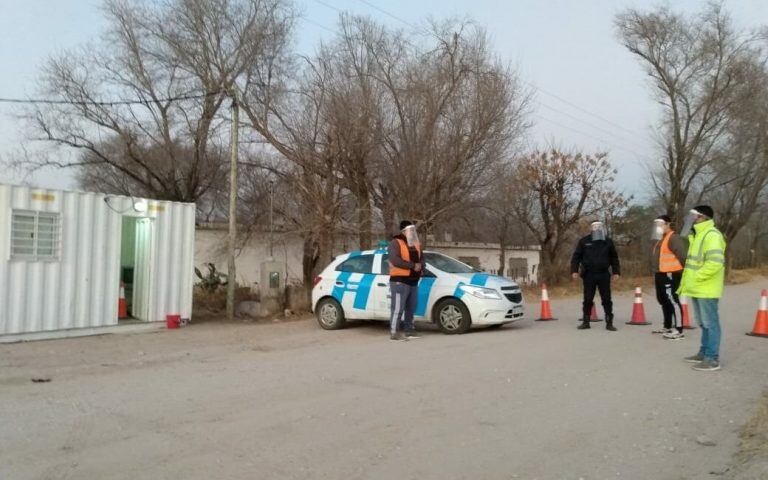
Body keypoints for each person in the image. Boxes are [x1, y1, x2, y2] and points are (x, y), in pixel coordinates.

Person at [678, 205, 726, 371]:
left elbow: (715, 263)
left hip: (706, 288)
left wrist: (697, 278)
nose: (690, 220)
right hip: (698, 288)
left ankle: (712, 358)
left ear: (703, 217)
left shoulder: (712, 235)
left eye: (694, 216)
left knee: (710, 323)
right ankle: (703, 352)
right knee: (703, 322)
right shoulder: (697, 235)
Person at [571, 220, 621, 331]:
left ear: (602, 228)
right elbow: (576, 257)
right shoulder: (584, 241)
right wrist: (574, 271)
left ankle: (609, 322)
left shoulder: (608, 242)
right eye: (594, 226)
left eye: (599, 226)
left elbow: (614, 257)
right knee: (588, 298)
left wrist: (616, 272)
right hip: (589, 274)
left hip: (603, 274)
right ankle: (586, 321)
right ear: (591, 228)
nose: (597, 228)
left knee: (606, 299)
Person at [649, 215, 688, 339]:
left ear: (667, 224)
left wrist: (680, 271)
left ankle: (678, 330)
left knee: (672, 300)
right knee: (663, 299)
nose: (658, 227)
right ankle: (667, 326)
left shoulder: (673, 238)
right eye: (656, 225)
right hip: (660, 273)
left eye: (660, 224)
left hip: (671, 273)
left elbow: (682, 256)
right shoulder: (660, 239)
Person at [388, 220, 423, 340]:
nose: (412, 232)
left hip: (413, 280)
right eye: (410, 230)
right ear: (403, 231)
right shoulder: (395, 242)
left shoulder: (416, 243)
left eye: (413, 230)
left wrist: (420, 265)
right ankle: (394, 332)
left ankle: (409, 330)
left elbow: (422, 258)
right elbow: (395, 260)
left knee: (411, 307)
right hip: (400, 280)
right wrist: (413, 265)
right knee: (398, 307)